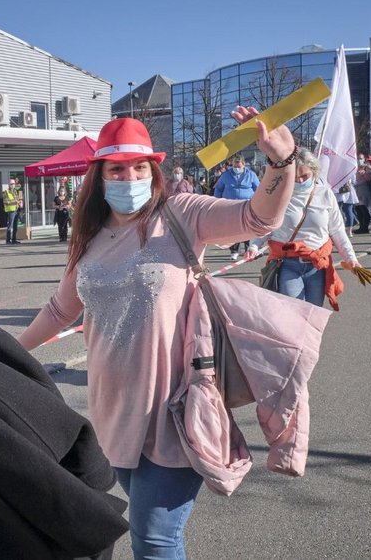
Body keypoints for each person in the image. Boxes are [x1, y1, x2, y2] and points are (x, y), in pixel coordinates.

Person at [16, 111, 298, 559]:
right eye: (117, 168)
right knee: (151, 533)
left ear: (154, 171)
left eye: (139, 167)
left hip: (177, 409)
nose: (129, 176)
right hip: (113, 411)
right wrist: (4, 351)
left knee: (154, 538)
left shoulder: (181, 214)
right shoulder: (88, 236)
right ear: (99, 176)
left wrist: (282, 165)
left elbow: (256, 219)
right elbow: (59, 309)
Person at [267, 147, 365, 307]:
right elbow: (266, 225)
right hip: (288, 264)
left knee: (313, 313)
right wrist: (253, 247)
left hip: (317, 266)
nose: (299, 181)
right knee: (295, 312)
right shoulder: (279, 195)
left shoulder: (325, 194)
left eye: (304, 176)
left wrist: (351, 259)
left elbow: (338, 231)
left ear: (314, 171)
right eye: (295, 177)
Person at [214, 154, 262, 259]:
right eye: (235, 166)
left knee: (247, 228)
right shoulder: (226, 175)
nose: (236, 168)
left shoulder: (251, 175)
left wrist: (258, 202)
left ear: (244, 165)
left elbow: (259, 189)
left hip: (247, 205)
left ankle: (248, 249)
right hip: (230, 206)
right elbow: (218, 188)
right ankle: (234, 251)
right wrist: (217, 201)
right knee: (234, 229)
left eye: (239, 166)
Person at [354, 155, 371, 234]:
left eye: (361, 158)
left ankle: (365, 227)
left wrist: (366, 171)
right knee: (358, 209)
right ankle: (361, 227)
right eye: (358, 158)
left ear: (364, 159)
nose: (359, 160)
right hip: (355, 190)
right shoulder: (354, 167)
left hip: (363, 190)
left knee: (364, 209)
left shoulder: (366, 168)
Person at [334, 172, 358, 237]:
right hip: (348, 190)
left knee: (338, 212)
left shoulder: (335, 170)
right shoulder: (350, 169)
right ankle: (349, 231)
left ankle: (341, 229)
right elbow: (354, 181)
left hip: (338, 191)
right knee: (348, 211)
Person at [4, 178, 23, 244]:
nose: (13, 185)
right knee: (10, 225)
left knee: (15, 226)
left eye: (14, 184)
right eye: (11, 184)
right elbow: (6, 201)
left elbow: (18, 199)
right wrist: (15, 201)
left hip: (16, 209)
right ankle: (8, 240)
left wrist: (20, 202)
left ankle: (14, 239)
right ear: (9, 185)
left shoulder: (15, 191)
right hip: (11, 210)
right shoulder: (6, 192)